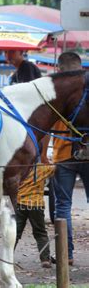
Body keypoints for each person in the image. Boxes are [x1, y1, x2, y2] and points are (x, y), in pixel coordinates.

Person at [51, 52, 89, 266]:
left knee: (63, 205)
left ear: (59, 68)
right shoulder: (86, 88)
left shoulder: (56, 89)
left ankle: (67, 254)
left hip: (63, 154)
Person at [15, 164, 54, 268]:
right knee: (40, 233)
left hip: (20, 203)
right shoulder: (42, 168)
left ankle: (7, 257)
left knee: (15, 232)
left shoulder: (19, 166)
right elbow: (56, 168)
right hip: (36, 204)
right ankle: (45, 259)